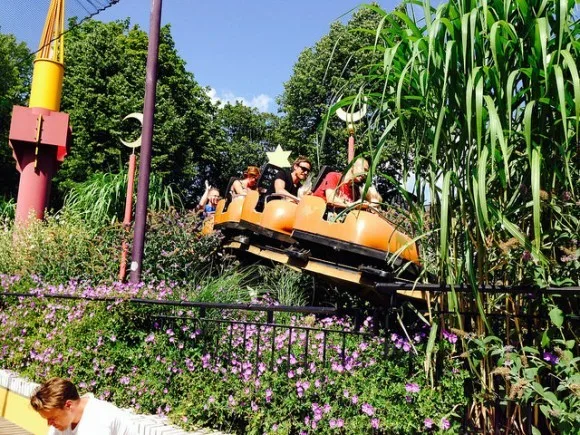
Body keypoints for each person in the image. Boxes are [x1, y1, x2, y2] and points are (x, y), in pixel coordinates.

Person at [30, 377, 138, 435]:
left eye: (52, 418)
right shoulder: (66, 418)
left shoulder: (96, 421)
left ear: (68, 405)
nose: (49, 424)